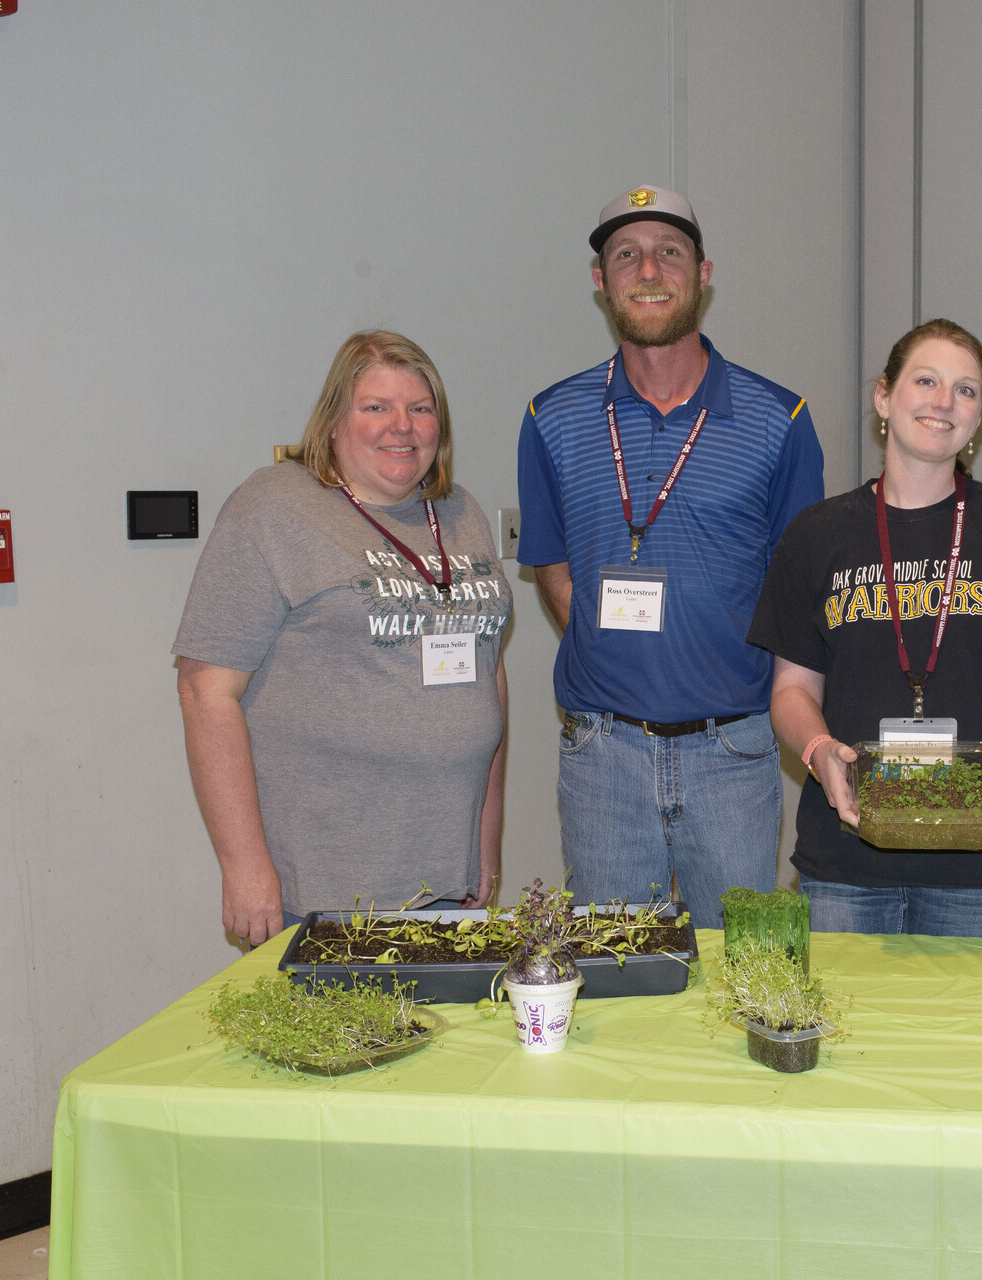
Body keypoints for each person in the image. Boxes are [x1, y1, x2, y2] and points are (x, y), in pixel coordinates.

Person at [517, 185, 824, 929]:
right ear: (601, 281)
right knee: (614, 971)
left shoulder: (779, 419)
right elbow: (554, 570)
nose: (648, 270)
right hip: (603, 755)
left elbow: (799, 590)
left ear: (703, 272)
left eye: (668, 252)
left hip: (735, 752)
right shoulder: (549, 417)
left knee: (737, 974)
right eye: (626, 255)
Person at [748, 319, 982, 936]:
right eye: (925, 381)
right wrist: (820, 752)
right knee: (846, 1034)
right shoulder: (817, 536)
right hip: (846, 858)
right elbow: (792, 690)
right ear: (884, 396)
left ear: (979, 417)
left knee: (976, 1036)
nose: (943, 402)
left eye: (966, 390)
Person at [174, 331, 512, 945]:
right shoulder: (274, 508)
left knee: (445, 1042)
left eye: (421, 408)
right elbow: (205, 693)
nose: (401, 426)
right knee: (344, 1042)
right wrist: (245, 868)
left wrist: (484, 841)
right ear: (333, 423)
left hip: (445, 882)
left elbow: (486, 677)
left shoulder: (460, 513)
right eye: (376, 407)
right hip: (324, 889)